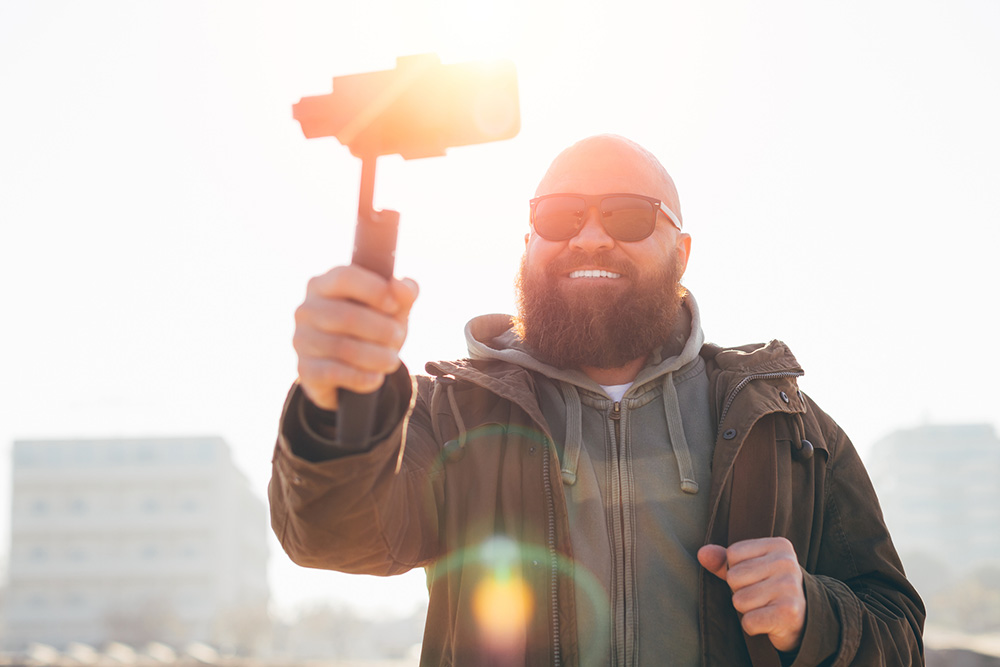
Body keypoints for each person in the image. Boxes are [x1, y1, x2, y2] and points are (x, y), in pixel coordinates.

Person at [269, 135, 925, 666]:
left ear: (682, 251)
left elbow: (899, 633)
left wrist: (811, 613)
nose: (588, 237)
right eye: (559, 216)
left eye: (627, 215)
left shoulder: (788, 429)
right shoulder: (450, 415)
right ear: (529, 243)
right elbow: (333, 537)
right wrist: (338, 402)